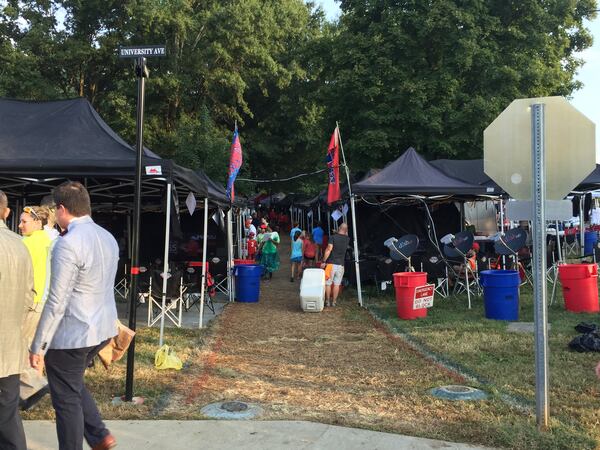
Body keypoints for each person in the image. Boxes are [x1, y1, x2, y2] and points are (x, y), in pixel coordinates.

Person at [30, 181, 119, 450]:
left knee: (65, 399)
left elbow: (57, 300)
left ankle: (94, 436)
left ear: (61, 209)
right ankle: (99, 434)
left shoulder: (66, 244)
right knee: (71, 382)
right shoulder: (107, 237)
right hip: (102, 329)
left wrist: (39, 346)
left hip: (73, 334)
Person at [0, 190, 35, 450]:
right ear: (6, 212)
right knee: (8, 413)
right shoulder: (19, 245)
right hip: (9, 345)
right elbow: (28, 297)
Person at [18, 205, 53, 408]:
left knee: (19, 347)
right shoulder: (47, 240)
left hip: (30, 301)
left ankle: (34, 387)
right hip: (41, 300)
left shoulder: (27, 243)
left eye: (24, 221)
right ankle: (31, 390)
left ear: (38, 222)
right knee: (32, 347)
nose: (20, 225)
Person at [322, 223, 350, 307]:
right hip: (341, 265)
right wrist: (339, 231)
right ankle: (334, 302)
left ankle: (327, 301)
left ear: (339, 228)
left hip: (330, 263)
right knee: (337, 284)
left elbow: (329, 249)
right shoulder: (347, 239)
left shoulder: (332, 237)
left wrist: (324, 260)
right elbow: (344, 233)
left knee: (328, 283)